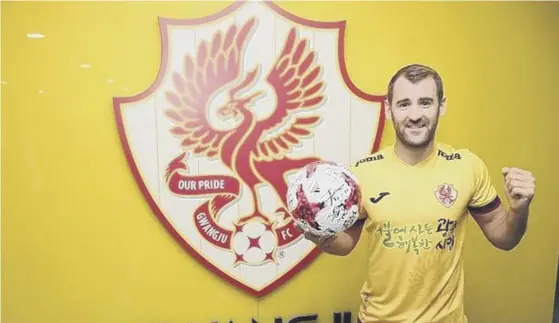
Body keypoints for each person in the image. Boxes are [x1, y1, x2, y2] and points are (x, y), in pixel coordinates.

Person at [296, 64, 536, 323]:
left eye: (424, 103)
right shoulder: (362, 174)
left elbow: (504, 237)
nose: (414, 115)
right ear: (389, 110)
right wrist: (319, 234)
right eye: (403, 104)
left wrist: (519, 210)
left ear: (441, 106)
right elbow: (346, 245)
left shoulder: (467, 166)